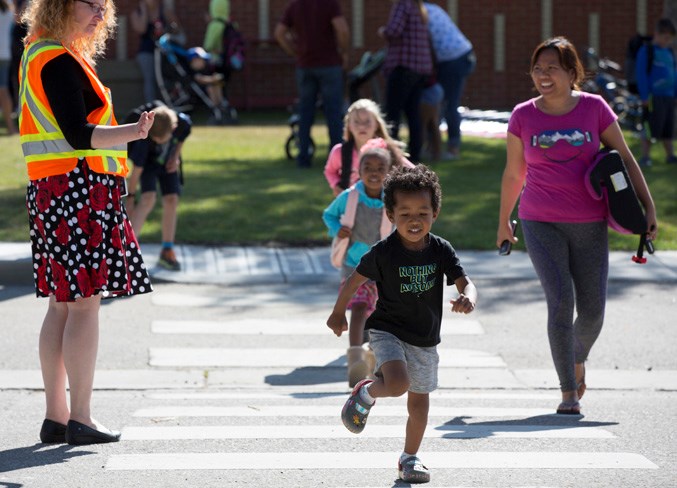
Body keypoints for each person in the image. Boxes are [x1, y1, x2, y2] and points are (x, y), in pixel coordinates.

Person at [496, 37, 658, 415]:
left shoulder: (594, 109)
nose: (543, 75)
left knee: (593, 310)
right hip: (539, 220)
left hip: (589, 221)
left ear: (572, 73)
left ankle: (576, 355)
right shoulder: (522, 115)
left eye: (552, 67)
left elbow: (627, 160)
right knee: (560, 303)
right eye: (538, 68)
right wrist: (504, 220)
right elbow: (514, 172)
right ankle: (568, 392)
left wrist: (648, 207)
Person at [19, 0, 155, 445]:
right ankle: (80, 418)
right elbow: (79, 134)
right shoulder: (57, 59)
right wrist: (135, 132)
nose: (101, 14)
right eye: (91, 5)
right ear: (61, 6)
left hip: (53, 190)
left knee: (62, 303)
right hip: (78, 191)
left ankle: (56, 417)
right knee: (83, 304)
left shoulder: (40, 52)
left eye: (104, 7)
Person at [327, 164, 477, 484]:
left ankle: (410, 458)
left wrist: (469, 297)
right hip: (387, 330)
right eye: (405, 212)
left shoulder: (440, 249)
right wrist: (338, 313)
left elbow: (466, 282)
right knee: (396, 384)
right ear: (391, 214)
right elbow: (354, 281)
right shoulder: (384, 252)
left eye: (422, 212)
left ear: (435, 213)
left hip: (425, 338)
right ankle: (367, 393)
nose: (414, 220)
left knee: (419, 403)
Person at [323, 139, 394, 386]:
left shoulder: (392, 200)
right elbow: (329, 215)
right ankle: (355, 354)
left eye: (380, 169)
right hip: (353, 263)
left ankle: (373, 357)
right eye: (368, 168)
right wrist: (337, 230)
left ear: (388, 173)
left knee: (381, 313)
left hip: (383, 268)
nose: (374, 173)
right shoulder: (349, 197)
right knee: (360, 307)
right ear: (359, 171)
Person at [274, 0, 350, 168]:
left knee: (305, 113)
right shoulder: (330, 4)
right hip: (329, 64)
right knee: (333, 112)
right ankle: (337, 161)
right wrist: (343, 52)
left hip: (305, 65)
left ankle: (303, 157)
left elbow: (279, 33)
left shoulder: (295, 5)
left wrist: (294, 51)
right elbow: (342, 29)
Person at [125, 101, 191, 271]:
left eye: (161, 139)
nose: (158, 142)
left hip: (168, 162)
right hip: (148, 165)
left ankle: (167, 250)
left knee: (172, 199)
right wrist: (131, 197)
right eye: (156, 140)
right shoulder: (144, 139)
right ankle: (127, 253)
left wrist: (175, 156)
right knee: (148, 199)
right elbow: (137, 170)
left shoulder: (182, 123)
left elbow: (182, 137)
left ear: (173, 128)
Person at [378, 0, 433, 163]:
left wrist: (382, 31)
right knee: (413, 114)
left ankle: (391, 154)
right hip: (420, 70)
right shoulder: (419, 7)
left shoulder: (402, 4)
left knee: (392, 114)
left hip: (403, 67)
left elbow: (394, 30)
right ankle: (415, 155)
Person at [324, 98, 413, 196]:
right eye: (356, 122)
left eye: (367, 122)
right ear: (349, 125)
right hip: (350, 204)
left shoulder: (387, 150)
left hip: (381, 205)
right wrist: (336, 186)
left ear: (377, 125)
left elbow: (411, 170)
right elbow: (330, 171)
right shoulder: (339, 152)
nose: (362, 126)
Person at [424, 1, 475, 160]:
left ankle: (451, 148)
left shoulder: (419, 13)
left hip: (453, 60)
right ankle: (435, 146)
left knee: (448, 104)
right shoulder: (433, 8)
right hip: (463, 55)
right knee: (443, 103)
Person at [636, 17, 677, 167]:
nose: (667, 41)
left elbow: (674, 72)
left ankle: (670, 155)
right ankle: (646, 156)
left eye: (670, 39)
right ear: (657, 34)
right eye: (666, 38)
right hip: (654, 97)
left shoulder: (669, 52)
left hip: (669, 96)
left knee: (668, 126)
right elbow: (641, 74)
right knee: (650, 126)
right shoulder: (647, 51)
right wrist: (645, 95)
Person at [130, 0, 179, 104]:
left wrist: (166, 30)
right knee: (150, 79)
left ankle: (169, 104)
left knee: (167, 78)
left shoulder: (164, 10)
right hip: (146, 51)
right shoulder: (136, 13)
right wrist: (144, 11)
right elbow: (141, 29)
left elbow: (176, 28)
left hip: (165, 51)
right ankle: (152, 106)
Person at [0, 0, 17, 135]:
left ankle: (11, 128)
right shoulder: (9, 7)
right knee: (4, 90)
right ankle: (11, 128)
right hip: (5, 54)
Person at [419, 77, 444, 161]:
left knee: (425, 123)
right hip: (433, 89)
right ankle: (434, 152)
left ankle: (434, 152)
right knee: (432, 123)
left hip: (429, 91)